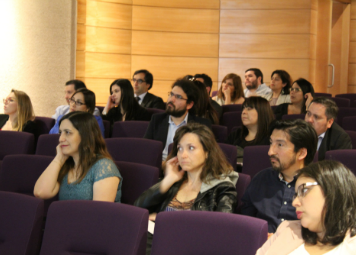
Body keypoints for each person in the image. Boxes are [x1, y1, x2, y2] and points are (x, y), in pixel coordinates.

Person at [135, 122, 238, 255]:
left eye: (190, 148)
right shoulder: (175, 182)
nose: (183, 155)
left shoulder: (223, 188)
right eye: (180, 148)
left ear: (207, 152)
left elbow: (220, 232)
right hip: (159, 244)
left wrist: (163, 219)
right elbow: (137, 208)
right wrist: (168, 180)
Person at [257, 160, 356, 254]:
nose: (294, 202)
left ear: (333, 189)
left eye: (303, 190)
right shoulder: (287, 229)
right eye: (296, 195)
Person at [241, 119, 318, 233]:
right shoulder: (261, 178)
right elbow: (245, 221)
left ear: (301, 153)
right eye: (271, 143)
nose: (270, 152)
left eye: (280, 145)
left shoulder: (319, 186)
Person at [34, 112, 122, 202]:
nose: (61, 138)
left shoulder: (103, 166)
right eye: (61, 132)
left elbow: (99, 212)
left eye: (68, 132)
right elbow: (40, 192)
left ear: (85, 135)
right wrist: (58, 159)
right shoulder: (66, 164)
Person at [144, 79, 212, 160]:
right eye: (171, 94)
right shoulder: (157, 119)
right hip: (159, 166)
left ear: (189, 104)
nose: (171, 99)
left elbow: (206, 156)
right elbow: (146, 148)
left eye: (178, 97)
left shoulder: (201, 124)